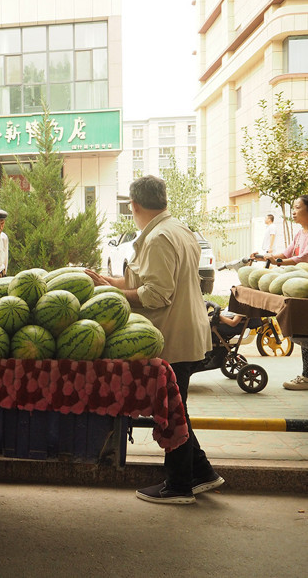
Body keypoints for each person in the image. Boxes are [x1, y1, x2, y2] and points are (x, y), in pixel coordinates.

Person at [85, 175, 221, 505]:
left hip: (174, 336)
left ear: (134, 205)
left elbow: (156, 294)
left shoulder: (159, 237)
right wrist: (106, 282)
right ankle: (202, 472)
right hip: (187, 331)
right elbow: (144, 280)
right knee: (179, 411)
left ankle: (178, 486)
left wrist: (113, 293)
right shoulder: (177, 229)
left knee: (173, 413)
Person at [252, 195, 308, 390]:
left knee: (304, 332)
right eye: (293, 207)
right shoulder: (300, 233)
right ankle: (306, 376)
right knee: (303, 333)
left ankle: (306, 377)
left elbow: (303, 257)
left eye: (297, 207)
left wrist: (281, 263)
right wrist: (264, 257)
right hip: (299, 285)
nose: (294, 211)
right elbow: (286, 253)